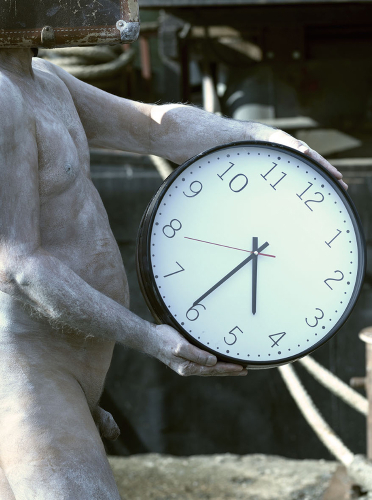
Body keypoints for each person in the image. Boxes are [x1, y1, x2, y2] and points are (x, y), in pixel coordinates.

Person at [0, 34, 346, 500]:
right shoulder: (2, 96)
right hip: (28, 372)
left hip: (69, 369)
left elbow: (152, 127)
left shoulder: (44, 79)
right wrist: (150, 338)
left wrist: (260, 136)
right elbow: (18, 266)